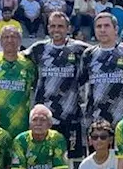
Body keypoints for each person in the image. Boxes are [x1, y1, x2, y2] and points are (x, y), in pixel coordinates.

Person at [25, 11, 94, 160]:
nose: (56, 30)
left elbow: (103, 51)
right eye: (53, 26)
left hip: (71, 116)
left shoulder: (80, 49)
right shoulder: (38, 49)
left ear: (68, 28)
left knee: (70, 160)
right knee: (44, 159)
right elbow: (14, 56)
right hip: (44, 117)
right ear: (48, 28)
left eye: (60, 26)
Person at [0, 24, 36, 143]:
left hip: (21, 125)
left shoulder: (29, 64)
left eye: (14, 37)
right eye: (6, 37)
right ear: (0, 41)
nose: (10, 40)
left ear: (20, 40)